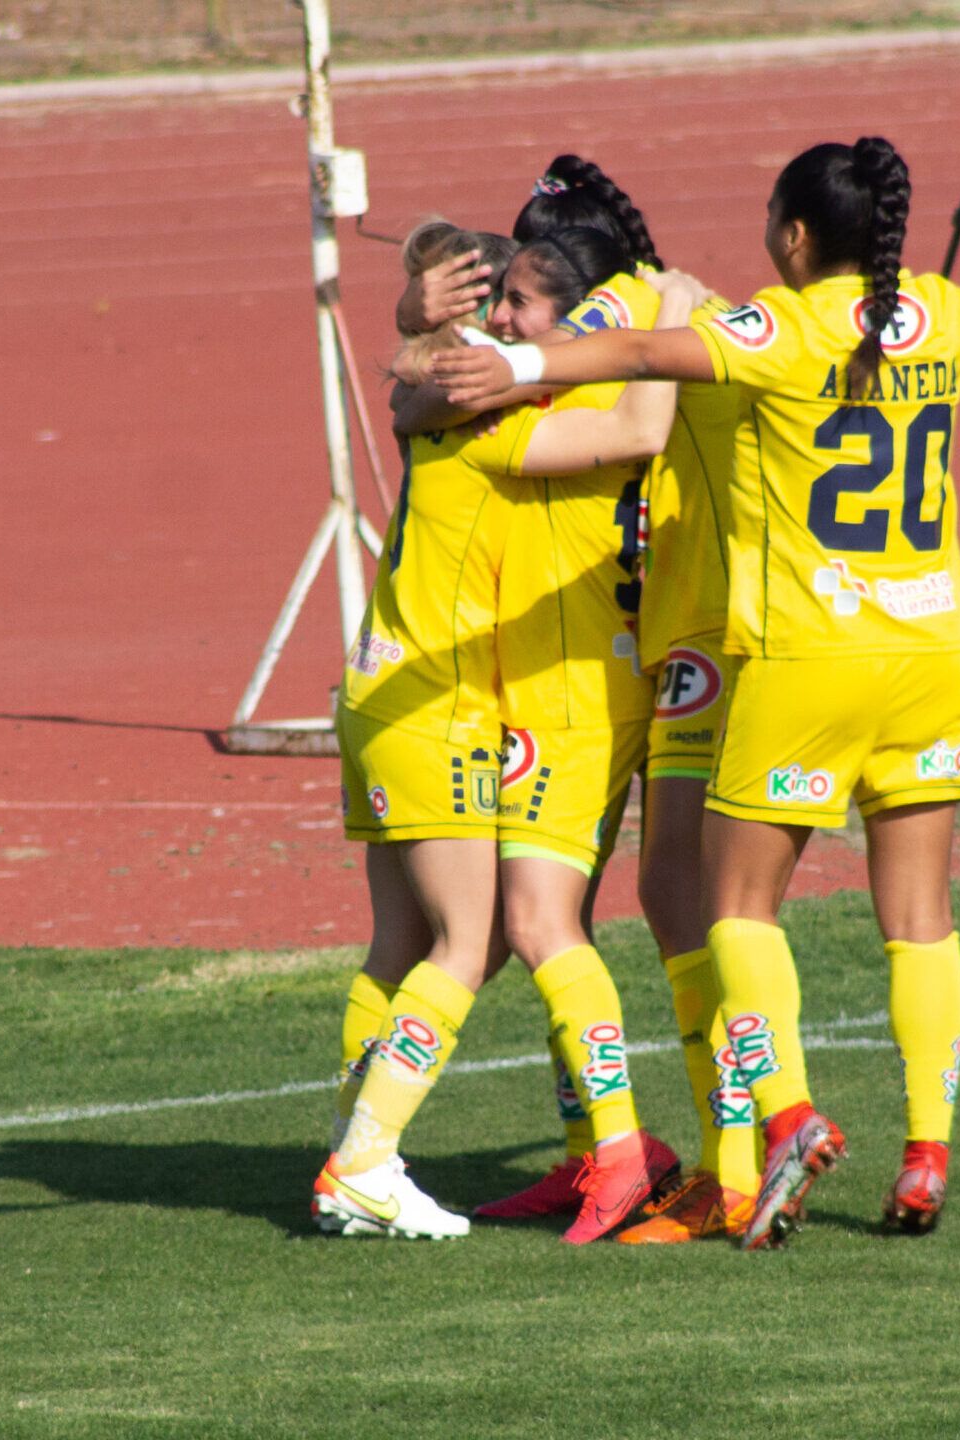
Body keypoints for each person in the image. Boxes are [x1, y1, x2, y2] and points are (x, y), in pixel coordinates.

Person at [434, 136, 960, 1249]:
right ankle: (925, 1152)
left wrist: (515, 367)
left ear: (796, 237)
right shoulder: (938, 312)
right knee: (918, 918)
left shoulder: (773, 327)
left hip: (797, 656)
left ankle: (785, 1121)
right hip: (934, 658)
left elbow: (642, 351)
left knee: (731, 909)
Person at [312, 223, 701, 1242]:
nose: (500, 323)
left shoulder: (438, 403)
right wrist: (661, 319)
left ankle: (356, 1148)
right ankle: (365, 1160)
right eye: (492, 303)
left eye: (519, 304)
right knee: (485, 937)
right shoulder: (495, 423)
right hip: (448, 702)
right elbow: (634, 433)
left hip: (382, 690)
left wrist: (412, 319)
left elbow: (408, 385)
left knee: (415, 943)